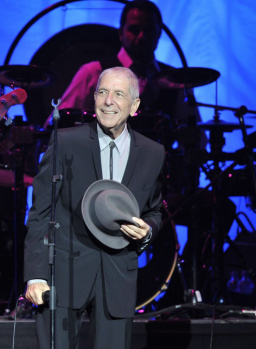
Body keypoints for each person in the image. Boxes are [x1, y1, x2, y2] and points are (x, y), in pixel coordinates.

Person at [24, 67, 165, 349]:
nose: (108, 100)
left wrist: (148, 230)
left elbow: (154, 210)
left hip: (117, 278)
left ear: (134, 105)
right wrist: (36, 275)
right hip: (64, 275)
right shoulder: (65, 142)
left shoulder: (153, 153)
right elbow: (40, 211)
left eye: (118, 94)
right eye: (102, 92)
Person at [52, 0, 198, 127]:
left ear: (159, 34)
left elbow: (195, 139)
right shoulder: (93, 73)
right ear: (121, 33)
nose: (142, 36)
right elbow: (58, 124)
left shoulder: (176, 81)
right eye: (134, 30)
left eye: (149, 30)